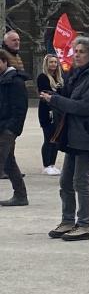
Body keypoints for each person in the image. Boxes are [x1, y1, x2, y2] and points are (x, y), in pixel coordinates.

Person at [42, 37, 89, 240]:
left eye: (82, 51)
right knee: (66, 182)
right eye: (76, 51)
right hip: (73, 136)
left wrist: (56, 99)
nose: (77, 54)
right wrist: (54, 97)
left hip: (87, 137)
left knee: (81, 182)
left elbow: (84, 107)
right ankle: (68, 220)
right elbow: (70, 102)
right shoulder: (76, 76)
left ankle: (84, 225)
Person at [0, 50, 29, 206]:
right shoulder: (3, 80)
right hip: (2, 126)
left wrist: (11, 129)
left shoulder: (15, 81)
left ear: (5, 62)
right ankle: (20, 195)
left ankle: (20, 195)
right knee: (9, 162)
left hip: (8, 130)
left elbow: (20, 109)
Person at [37, 54, 63, 176]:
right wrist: (55, 95)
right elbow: (44, 93)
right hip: (46, 112)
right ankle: (46, 164)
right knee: (48, 138)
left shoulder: (59, 79)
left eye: (55, 62)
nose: (53, 64)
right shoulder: (42, 77)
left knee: (56, 138)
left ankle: (52, 164)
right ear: (46, 64)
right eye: (51, 62)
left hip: (58, 112)